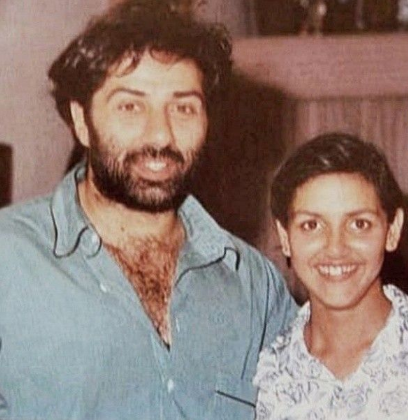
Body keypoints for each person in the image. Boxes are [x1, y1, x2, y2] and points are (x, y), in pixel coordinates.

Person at [0, 1, 297, 419]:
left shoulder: (255, 286)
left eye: (183, 107)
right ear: (82, 121)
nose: (160, 135)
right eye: (130, 106)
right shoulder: (10, 262)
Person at [254, 132, 408, 419]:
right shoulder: (269, 374)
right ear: (285, 237)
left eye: (359, 224)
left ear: (392, 229)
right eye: (312, 225)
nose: (336, 248)